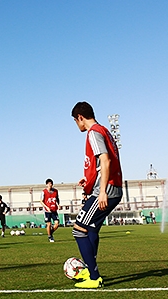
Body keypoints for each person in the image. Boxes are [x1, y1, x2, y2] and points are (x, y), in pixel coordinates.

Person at [71, 101, 123, 289]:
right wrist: (89, 180)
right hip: (112, 187)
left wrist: (101, 191)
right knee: (91, 229)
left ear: (80, 118)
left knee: (78, 229)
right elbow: (103, 164)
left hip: (106, 189)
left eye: (76, 122)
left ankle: (93, 275)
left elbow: (106, 160)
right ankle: (91, 271)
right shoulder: (105, 131)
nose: (77, 126)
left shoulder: (94, 132)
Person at [42, 179, 60, 243]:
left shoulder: (55, 191)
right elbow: (41, 201)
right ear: (46, 184)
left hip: (54, 210)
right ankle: (50, 236)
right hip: (47, 211)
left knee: (57, 224)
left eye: (51, 183)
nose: (50, 185)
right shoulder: (44, 192)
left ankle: (50, 232)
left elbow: (57, 199)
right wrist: (46, 207)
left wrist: (58, 205)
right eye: (48, 184)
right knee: (49, 224)